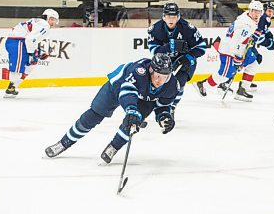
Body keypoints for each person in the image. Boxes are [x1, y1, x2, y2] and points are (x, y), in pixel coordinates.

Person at [45, 54, 179, 164]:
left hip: (145, 98)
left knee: (132, 124)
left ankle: (113, 147)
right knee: (93, 115)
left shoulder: (172, 85)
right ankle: (64, 143)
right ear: (151, 70)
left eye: (164, 77)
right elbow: (127, 92)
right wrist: (131, 109)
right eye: (157, 76)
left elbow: (163, 104)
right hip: (117, 86)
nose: (160, 81)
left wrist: (164, 116)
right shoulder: (139, 71)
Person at [0, 9, 59, 97]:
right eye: (53, 19)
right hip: (18, 42)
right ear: (48, 18)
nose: (53, 23)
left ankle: (11, 88)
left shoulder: (38, 22)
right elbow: (30, 39)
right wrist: (31, 54)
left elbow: (32, 39)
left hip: (17, 42)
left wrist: (37, 52)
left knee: (30, 66)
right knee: (15, 75)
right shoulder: (45, 25)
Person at [194, 0, 263, 102]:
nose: (256, 14)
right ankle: (202, 85)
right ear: (250, 10)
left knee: (253, 62)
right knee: (224, 75)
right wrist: (238, 58)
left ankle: (242, 90)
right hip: (229, 51)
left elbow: (244, 40)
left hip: (238, 49)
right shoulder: (245, 25)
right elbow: (236, 42)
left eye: (259, 12)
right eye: (254, 11)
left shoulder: (249, 19)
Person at [147, 2, 207, 114]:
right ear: (163, 16)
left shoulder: (188, 28)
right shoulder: (155, 29)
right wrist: (171, 46)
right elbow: (154, 51)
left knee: (179, 84)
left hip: (185, 62)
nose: (171, 19)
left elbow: (202, 47)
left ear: (178, 16)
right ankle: (153, 105)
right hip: (164, 62)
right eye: (168, 16)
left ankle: (172, 108)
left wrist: (188, 57)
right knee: (156, 83)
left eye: (174, 16)